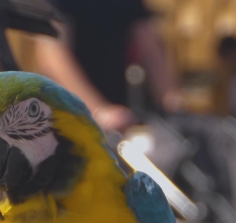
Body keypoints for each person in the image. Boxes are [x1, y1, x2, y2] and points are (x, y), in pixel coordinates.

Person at [34, 0, 184, 134]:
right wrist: (97, 111)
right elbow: (52, 55)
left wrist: (171, 101)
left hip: (119, 119)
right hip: (68, 119)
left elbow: (149, 44)